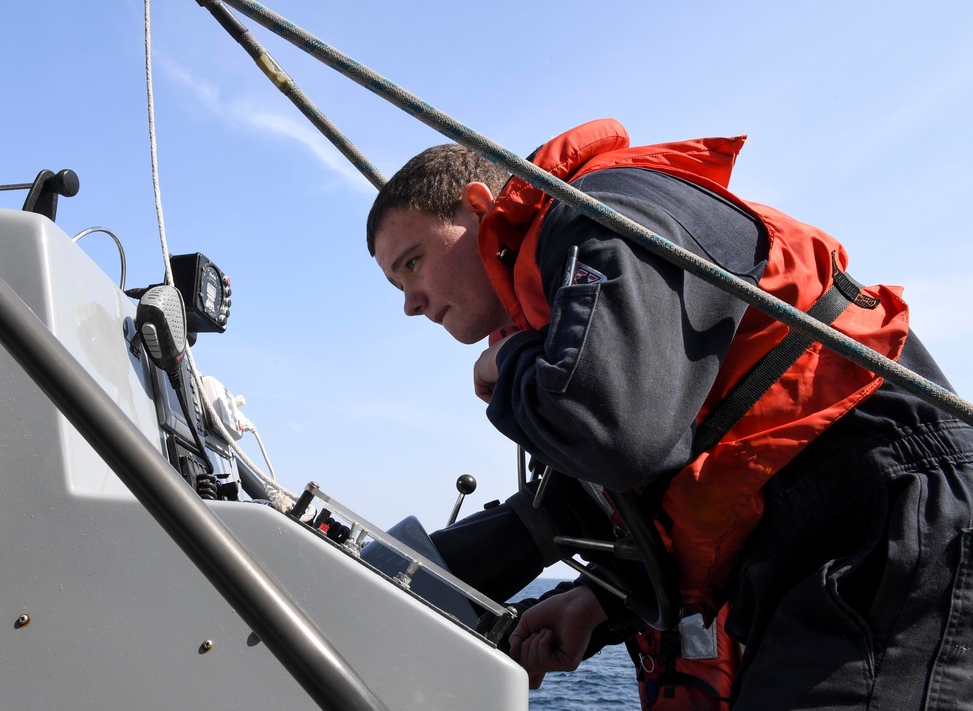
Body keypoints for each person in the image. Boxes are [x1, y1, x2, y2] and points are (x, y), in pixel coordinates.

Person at [365, 118, 973, 710]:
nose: (411, 304)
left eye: (412, 263)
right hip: (806, 541)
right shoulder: (565, 288)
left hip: (887, 514)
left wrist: (512, 359)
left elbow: (609, 432)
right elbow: (657, 471)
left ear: (477, 209)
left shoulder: (593, 213)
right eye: (397, 287)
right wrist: (597, 604)